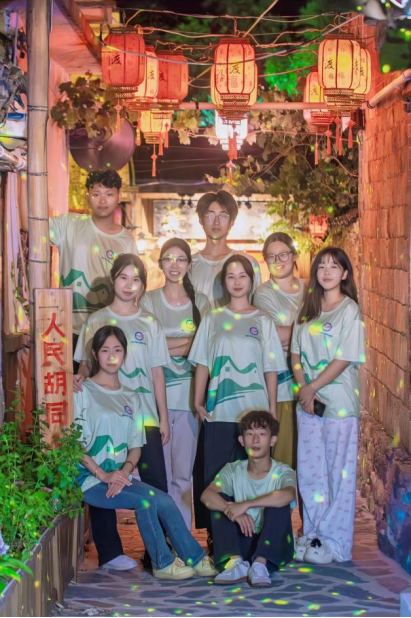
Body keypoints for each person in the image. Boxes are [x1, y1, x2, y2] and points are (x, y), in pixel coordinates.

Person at [75, 324, 216, 580]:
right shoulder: (82, 391)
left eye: (117, 350)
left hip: (117, 476)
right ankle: (162, 563)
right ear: (94, 354)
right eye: (105, 350)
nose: (111, 355)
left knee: (165, 500)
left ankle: (195, 558)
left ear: (125, 354)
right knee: (145, 501)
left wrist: (123, 472)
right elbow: (71, 444)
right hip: (89, 479)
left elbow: (135, 446)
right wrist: (103, 475)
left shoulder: (132, 397)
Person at [74, 254, 171, 570]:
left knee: (155, 483)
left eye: (136, 279)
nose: (129, 285)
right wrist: (78, 377)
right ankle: (110, 553)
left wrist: (164, 418)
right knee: (101, 481)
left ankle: (158, 552)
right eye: (123, 278)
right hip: (103, 415)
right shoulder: (96, 320)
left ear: (143, 285)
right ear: (113, 279)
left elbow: (157, 373)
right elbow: (85, 364)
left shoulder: (150, 322)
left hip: (144, 415)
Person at [188, 254, 288, 537]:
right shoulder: (213, 318)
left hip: (255, 416)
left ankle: (253, 536)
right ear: (224, 283)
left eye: (242, 275)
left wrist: (272, 410)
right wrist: (197, 400)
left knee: (253, 478)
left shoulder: (263, 320)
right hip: (219, 412)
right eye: (231, 276)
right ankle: (217, 538)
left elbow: (270, 369)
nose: (237, 281)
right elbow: (203, 362)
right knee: (216, 477)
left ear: (251, 280)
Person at [291, 247, 365, 565]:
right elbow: (295, 353)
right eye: (321, 266)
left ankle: (335, 543)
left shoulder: (350, 310)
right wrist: (303, 389)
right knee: (311, 473)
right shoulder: (308, 308)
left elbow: (344, 357)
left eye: (334, 266)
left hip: (339, 404)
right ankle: (313, 534)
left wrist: (312, 387)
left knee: (338, 474)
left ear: (345, 274)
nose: (326, 271)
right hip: (309, 404)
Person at [140, 238, 210, 530]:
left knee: (183, 475)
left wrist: (165, 345)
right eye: (169, 258)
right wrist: (188, 344)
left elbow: (206, 347)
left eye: (181, 259)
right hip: (153, 401)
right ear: (160, 263)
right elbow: (145, 346)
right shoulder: (148, 301)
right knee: (158, 477)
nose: (174, 265)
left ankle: (181, 538)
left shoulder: (201, 303)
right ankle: (160, 539)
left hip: (188, 398)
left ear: (189, 265)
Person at [201, 410, 296, 587]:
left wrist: (246, 505)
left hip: (274, 544)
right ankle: (236, 563)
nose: (256, 440)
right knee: (219, 501)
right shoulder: (232, 469)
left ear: (273, 440)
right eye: (250, 434)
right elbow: (206, 496)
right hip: (243, 540)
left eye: (262, 434)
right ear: (241, 440)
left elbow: (289, 494)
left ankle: (260, 565)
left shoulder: (283, 471)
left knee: (279, 502)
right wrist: (231, 511)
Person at [49, 169, 138, 354]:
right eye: (96, 194)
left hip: (108, 332)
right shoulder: (69, 225)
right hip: (68, 330)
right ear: (87, 196)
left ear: (119, 197)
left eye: (109, 194)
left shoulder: (126, 241)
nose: (102, 200)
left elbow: (134, 288)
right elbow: (30, 225)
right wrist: (23, 174)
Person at [253, 232, 306, 469]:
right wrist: (308, 333)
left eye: (283, 254)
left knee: (310, 462)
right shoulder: (263, 293)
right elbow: (271, 336)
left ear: (294, 256)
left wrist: (289, 334)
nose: (278, 260)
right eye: (271, 256)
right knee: (284, 461)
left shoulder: (309, 289)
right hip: (281, 388)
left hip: (312, 386)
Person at [190, 190, 261, 307]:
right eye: (210, 216)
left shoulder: (248, 263)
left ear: (231, 222)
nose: (216, 222)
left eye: (223, 216)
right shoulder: (189, 264)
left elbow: (257, 309)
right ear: (201, 220)